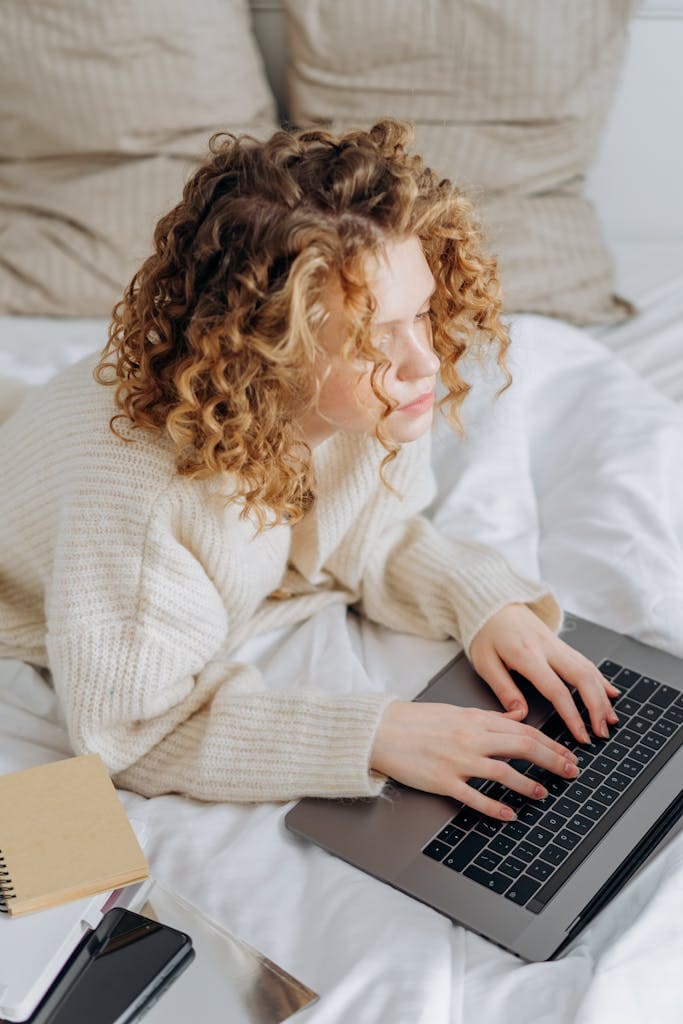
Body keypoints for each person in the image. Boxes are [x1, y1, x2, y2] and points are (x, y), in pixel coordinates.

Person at [0, 119, 619, 820]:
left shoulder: (372, 400)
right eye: (372, 338)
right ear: (270, 349)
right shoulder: (145, 509)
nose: (423, 362)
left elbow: (366, 534)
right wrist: (376, 733)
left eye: (420, 313)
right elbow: (134, 731)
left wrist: (482, 605)